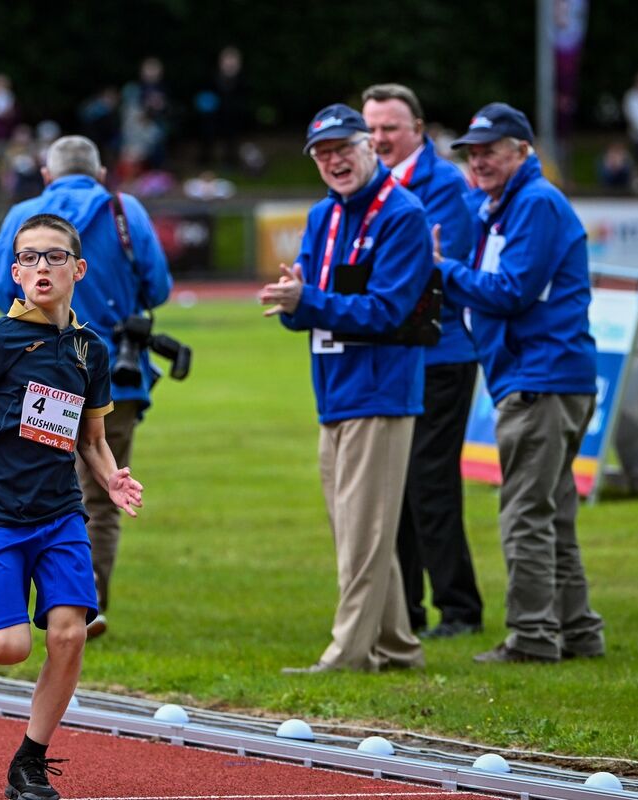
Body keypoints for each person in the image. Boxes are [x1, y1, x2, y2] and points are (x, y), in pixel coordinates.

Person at [0, 213, 143, 800]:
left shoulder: (90, 350)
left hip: (59, 512)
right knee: (8, 649)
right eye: (29, 258)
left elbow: (92, 438)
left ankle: (30, 761)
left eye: (54, 257)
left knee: (71, 634)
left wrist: (112, 479)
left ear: (78, 269)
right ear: (14, 273)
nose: (41, 267)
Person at [259, 103, 431, 674]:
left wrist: (306, 302)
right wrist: (292, 303)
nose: (334, 161)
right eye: (322, 154)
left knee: (362, 535)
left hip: (381, 390)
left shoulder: (402, 214)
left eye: (342, 149)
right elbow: (303, 307)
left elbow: (389, 310)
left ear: (369, 148)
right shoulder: (321, 217)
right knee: (359, 529)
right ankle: (399, 645)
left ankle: (349, 654)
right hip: (334, 390)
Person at [0, 135, 172, 639]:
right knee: (104, 489)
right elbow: (159, 286)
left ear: (48, 174)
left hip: (33, 372)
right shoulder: (124, 209)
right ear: (102, 172)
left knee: (42, 483)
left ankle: (37, 601)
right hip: (116, 374)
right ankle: (86, 604)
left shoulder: (26, 213)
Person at [438, 103, 605, 664]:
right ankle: (578, 631)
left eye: (489, 149)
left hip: (541, 378)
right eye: (472, 151)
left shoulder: (532, 203)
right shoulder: (508, 203)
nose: (478, 160)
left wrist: (443, 271)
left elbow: (510, 291)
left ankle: (532, 637)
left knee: (526, 513)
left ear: (522, 150)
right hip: (546, 374)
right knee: (552, 509)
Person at [361, 84, 483, 639]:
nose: (381, 138)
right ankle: (407, 609)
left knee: (430, 484)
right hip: (396, 354)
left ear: (418, 129)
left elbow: (438, 269)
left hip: (441, 354)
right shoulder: (374, 185)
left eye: (391, 127)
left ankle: (458, 609)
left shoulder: (442, 185)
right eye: (374, 129)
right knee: (398, 487)